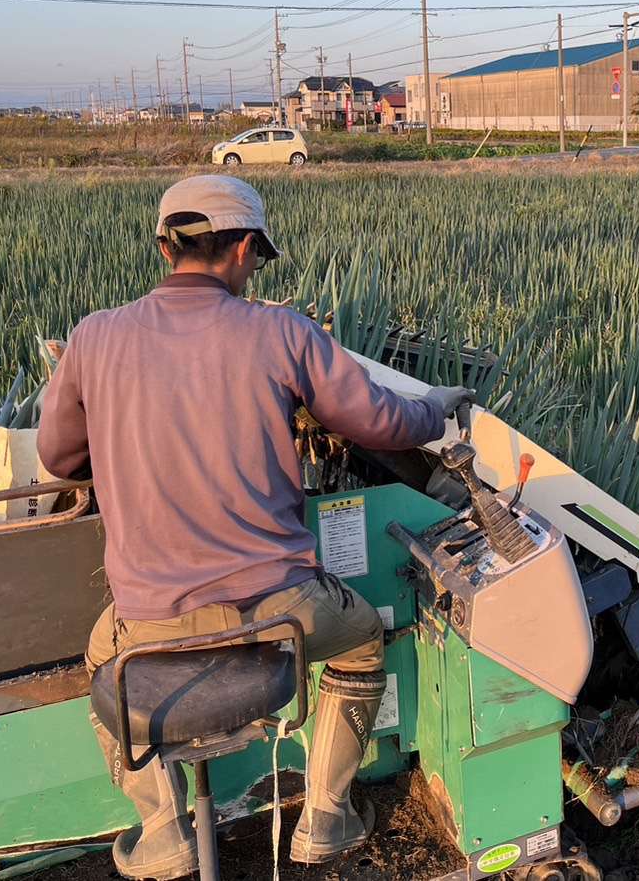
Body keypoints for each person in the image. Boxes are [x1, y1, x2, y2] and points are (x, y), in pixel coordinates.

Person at [37, 174, 471, 880]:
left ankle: (160, 828)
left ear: (163, 246)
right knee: (362, 637)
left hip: (150, 624)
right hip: (279, 611)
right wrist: (439, 405)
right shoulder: (278, 331)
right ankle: (326, 815)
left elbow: (56, 459)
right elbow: (378, 420)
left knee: (99, 661)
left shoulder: (94, 337)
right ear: (241, 247)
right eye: (255, 257)